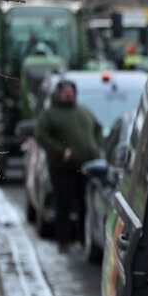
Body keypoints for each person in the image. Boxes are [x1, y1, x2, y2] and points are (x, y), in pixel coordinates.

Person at [33, 80, 102, 252]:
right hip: (61, 168)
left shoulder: (83, 110)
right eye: (65, 91)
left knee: (83, 205)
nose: (69, 93)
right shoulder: (50, 114)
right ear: (59, 93)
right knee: (63, 205)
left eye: (71, 90)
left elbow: (98, 128)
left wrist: (95, 147)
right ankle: (63, 241)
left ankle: (80, 239)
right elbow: (41, 136)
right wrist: (60, 150)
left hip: (85, 168)